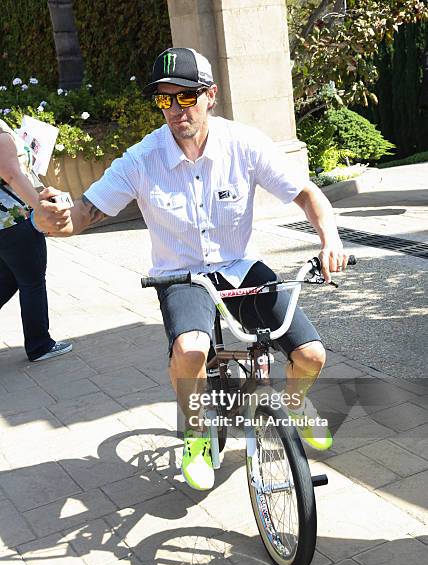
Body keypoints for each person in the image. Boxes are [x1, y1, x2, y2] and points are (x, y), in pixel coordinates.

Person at [37, 47, 348, 490]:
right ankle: (197, 434)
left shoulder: (244, 144)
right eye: (165, 100)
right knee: (191, 349)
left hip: (239, 268)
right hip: (181, 275)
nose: (176, 110)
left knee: (311, 355)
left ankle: (294, 404)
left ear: (210, 96)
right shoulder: (143, 158)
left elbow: (307, 195)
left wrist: (329, 239)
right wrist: (55, 220)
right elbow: (86, 212)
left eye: (186, 98)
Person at [0, 118, 72, 361]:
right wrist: (39, 207)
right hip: (15, 221)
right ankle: (40, 344)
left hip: (5, 225)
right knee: (32, 281)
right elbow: (11, 175)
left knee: (8, 280)